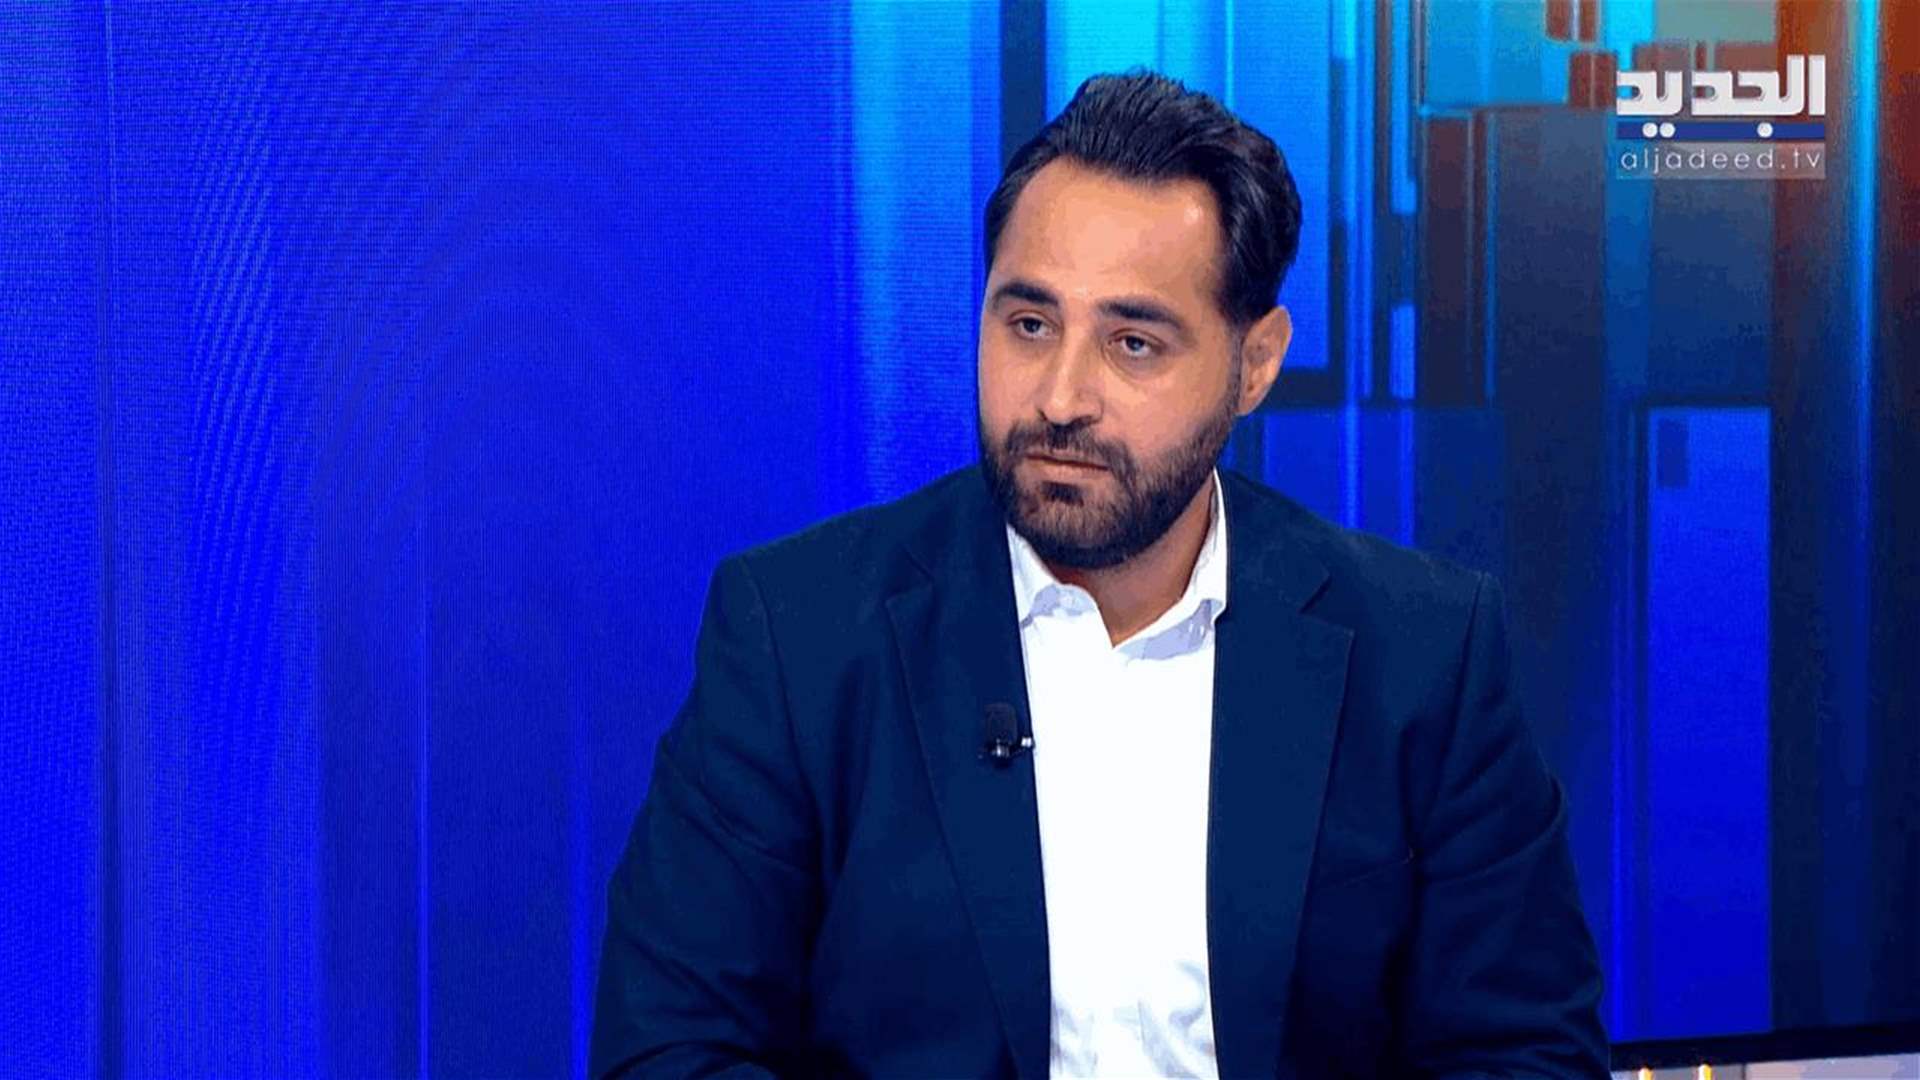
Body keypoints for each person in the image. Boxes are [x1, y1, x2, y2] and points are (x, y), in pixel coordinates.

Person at [591, 70, 1608, 1079]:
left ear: (1255, 363)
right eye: (1029, 325)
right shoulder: (798, 638)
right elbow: (673, 1048)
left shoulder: (1422, 653)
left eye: (1132, 343)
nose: (1061, 396)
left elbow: (1523, 1053)